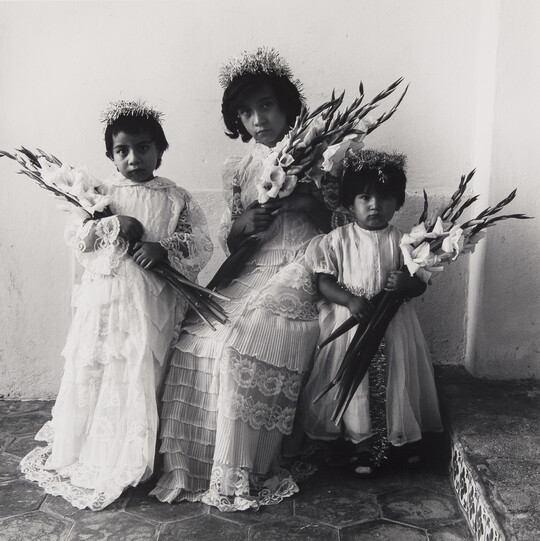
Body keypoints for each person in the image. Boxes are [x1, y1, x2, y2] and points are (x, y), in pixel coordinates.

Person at [151, 48, 331, 511]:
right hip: (253, 266)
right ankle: (191, 466)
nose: (257, 119)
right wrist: (246, 220)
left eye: (266, 106)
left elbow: (344, 229)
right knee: (195, 337)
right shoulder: (239, 168)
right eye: (245, 112)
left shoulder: (320, 154)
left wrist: (304, 198)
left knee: (241, 341)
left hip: (304, 263)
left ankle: (244, 468)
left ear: (288, 106)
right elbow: (234, 241)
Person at [20, 101, 213, 510]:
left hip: (154, 299)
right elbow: (79, 239)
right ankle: (101, 451)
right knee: (106, 366)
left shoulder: (175, 196)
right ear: (110, 156)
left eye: (143, 149)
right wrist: (111, 225)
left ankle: (149, 454)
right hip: (108, 300)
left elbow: (200, 242)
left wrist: (165, 248)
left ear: (160, 150)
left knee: (147, 364)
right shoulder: (101, 194)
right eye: (122, 151)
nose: (133, 158)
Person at [297, 149, 443, 478]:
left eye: (385, 198)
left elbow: (421, 284)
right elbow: (323, 281)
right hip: (352, 324)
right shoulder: (337, 240)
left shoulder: (405, 243)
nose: (375, 206)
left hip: (394, 328)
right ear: (350, 203)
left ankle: (398, 442)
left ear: (398, 202)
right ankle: (360, 445)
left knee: (396, 380)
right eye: (365, 197)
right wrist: (348, 300)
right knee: (354, 381)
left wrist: (407, 283)